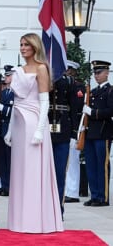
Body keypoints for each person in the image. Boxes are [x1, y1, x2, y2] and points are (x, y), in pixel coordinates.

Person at [4, 33, 63, 233]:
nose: (22, 48)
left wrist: (40, 130)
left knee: (33, 172)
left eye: (26, 44)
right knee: (19, 173)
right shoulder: (18, 70)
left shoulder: (41, 68)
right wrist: (10, 130)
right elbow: (15, 103)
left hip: (34, 122)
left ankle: (36, 221)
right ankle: (19, 221)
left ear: (35, 47)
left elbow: (45, 101)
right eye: (20, 44)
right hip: (19, 123)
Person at [48, 60, 78, 216]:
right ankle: (45, 207)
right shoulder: (45, 79)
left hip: (63, 130)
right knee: (45, 172)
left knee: (60, 172)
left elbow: (74, 109)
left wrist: (74, 133)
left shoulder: (70, 82)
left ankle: (58, 208)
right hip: (46, 127)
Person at [82, 60, 113, 207]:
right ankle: (94, 195)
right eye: (95, 73)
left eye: (99, 72)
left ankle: (103, 197)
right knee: (91, 166)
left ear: (107, 73)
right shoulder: (92, 92)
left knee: (102, 165)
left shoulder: (110, 91)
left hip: (103, 133)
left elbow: (110, 111)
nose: (96, 75)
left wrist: (93, 112)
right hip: (90, 134)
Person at [64, 60, 85, 203]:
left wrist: (77, 130)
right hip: (65, 127)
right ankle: (67, 190)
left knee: (73, 161)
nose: (66, 72)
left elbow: (77, 110)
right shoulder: (64, 86)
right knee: (66, 161)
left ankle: (73, 192)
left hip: (75, 128)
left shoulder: (79, 88)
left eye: (68, 70)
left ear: (73, 71)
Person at [0, 65, 14, 197]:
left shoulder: (15, 92)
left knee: (10, 160)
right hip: (1, 129)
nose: (6, 78)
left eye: (8, 75)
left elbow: (15, 111)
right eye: (6, 76)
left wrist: (2, 108)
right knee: (2, 160)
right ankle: (4, 186)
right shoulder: (5, 92)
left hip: (10, 130)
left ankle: (10, 187)